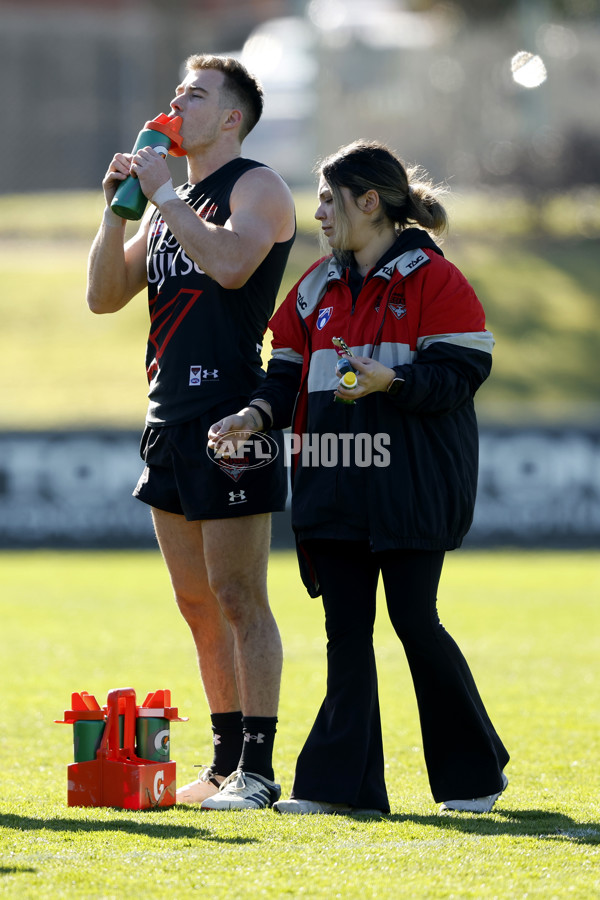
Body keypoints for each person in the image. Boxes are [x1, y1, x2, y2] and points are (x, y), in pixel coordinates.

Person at [208, 140, 509, 815]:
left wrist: (394, 381)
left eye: (326, 200)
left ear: (368, 202)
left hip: (410, 489)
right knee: (345, 633)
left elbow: (462, 374)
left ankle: (474, 777)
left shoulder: (435, 279)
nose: (317, 214)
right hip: (331, 484)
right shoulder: (314, 286)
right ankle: (341, 793)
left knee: (414, 621)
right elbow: (283, 375)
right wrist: (253, 416)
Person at [86, 54, 296, 811]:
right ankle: (226, 759)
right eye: (178, 91)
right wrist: (118, 211)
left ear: (231, 117)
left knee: (240, 595)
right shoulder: (171, 201)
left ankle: (262, 772)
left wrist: (166, 194)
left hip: (231, 414)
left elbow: (235, 265)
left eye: (196, 94)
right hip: (166, 416)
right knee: (198, 604)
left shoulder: (255, 186)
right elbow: (104, 296)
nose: (178, 102)